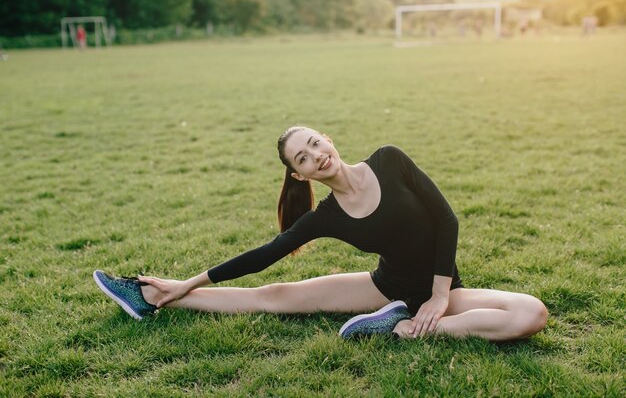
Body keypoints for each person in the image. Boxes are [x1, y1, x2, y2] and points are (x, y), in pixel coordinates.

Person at [94, 126, 548, 340]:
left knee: (530, 314)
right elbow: (264, 255)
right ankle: (152, 298)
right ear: (301, 177)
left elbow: (447, 220)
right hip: (383, 287)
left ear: (328, 139)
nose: (315, 155)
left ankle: (406, 330)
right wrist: (186, 283)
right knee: (272, 295)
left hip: (437, 289)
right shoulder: (325, 216)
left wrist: (439, 296)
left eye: (314, 143)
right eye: (303, 159)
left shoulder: (389, 160)